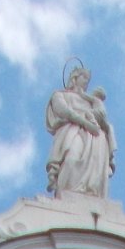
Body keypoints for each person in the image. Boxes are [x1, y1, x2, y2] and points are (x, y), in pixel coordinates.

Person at [45, 63, 116, 199]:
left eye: (88, 80)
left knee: (96, 168)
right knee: (71, 159)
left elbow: (101, 115)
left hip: (95, 135)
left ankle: (91, 194)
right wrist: (85, 122)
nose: (86, 82)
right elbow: (64, 111)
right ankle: (66, 193)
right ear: (75, 78)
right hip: (73, 131)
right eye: (84, 77)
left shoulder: (90, 101)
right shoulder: (59, 95)